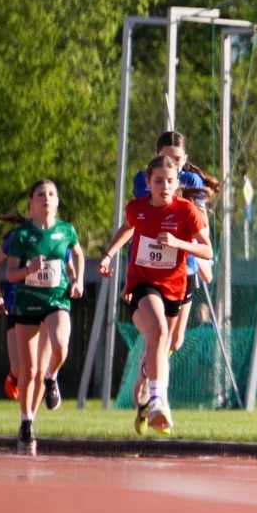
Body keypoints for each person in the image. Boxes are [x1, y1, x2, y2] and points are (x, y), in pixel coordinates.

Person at [99, 155, 212, 436]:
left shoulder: (186, 211)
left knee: (161, 346)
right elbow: (128, 229)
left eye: (170, 181)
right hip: (142, 285)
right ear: (147, 182)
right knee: (159, 331)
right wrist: (109, 255)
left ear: (178, 184)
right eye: (158, 181)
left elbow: (208, 251)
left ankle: (145, 398)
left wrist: (178, 242)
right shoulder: (136, 209)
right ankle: (159, 402)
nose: (164, 186)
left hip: (174, 288)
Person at [5, 180, 85, 455]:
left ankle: (52, 377)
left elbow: (77, 254)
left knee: (60, 343)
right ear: (31, 203)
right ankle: (27, 422)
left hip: (56, 299)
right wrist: (28, 269)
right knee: (28, 370)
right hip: (27, 304)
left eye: (52, 194)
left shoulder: (66, 231)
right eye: (41, 195)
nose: (47, 199)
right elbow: (9, 274)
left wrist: (78, 280)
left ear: (57, 201)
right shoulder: (22, 236)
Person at [0, 215, 73, 405]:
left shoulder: (60, 237)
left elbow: (69, 266)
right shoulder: (17, 237)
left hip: (49, 304)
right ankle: (14, 377)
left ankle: (29, 421)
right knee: (21, 368)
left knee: (39, 368)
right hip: (19, 306)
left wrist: (75, 282)